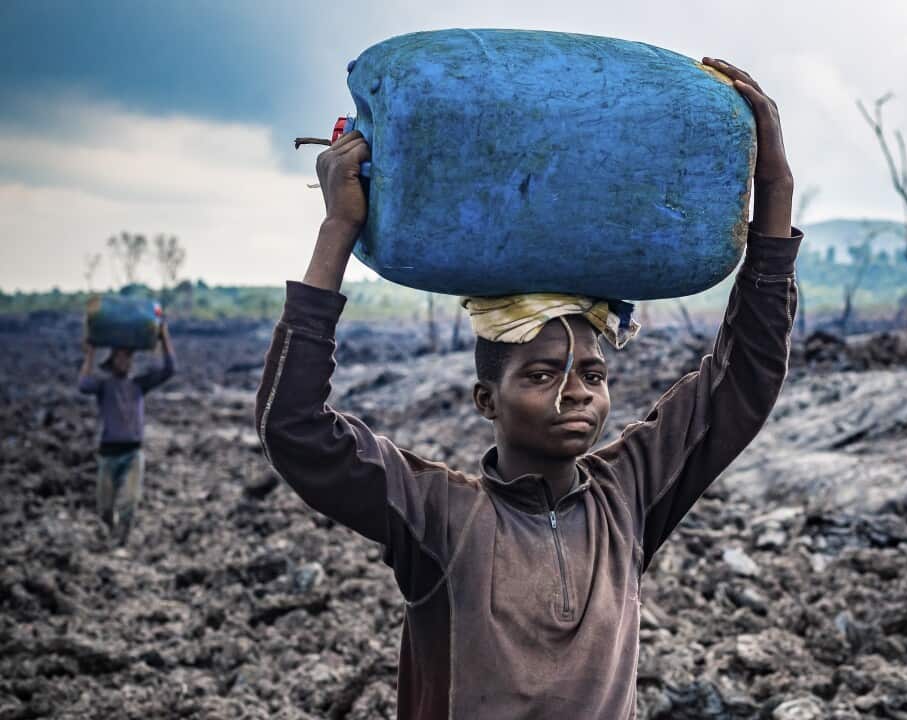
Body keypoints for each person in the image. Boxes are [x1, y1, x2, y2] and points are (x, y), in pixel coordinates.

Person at [255, 57, 800, 719]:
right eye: (542, 374)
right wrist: (338, 228)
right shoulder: (437, 515)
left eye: (593, 375)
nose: (576, 393)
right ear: (487, 399)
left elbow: (744, 375)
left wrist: (773, 190)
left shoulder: (627, 496)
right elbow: (296, 428)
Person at [79, 322, 176, 547]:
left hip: (133, 452)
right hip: (108, 453)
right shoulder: (104, 385)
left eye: (128, 358)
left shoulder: (138, 385)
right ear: (112, 362)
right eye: (120, 358)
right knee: (105, 507)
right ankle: (110, 531)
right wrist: (90, 353)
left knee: (130, 502)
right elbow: (83, 384)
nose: (125, 362)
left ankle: (120, 543)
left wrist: (164, 337)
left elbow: (169, 370)